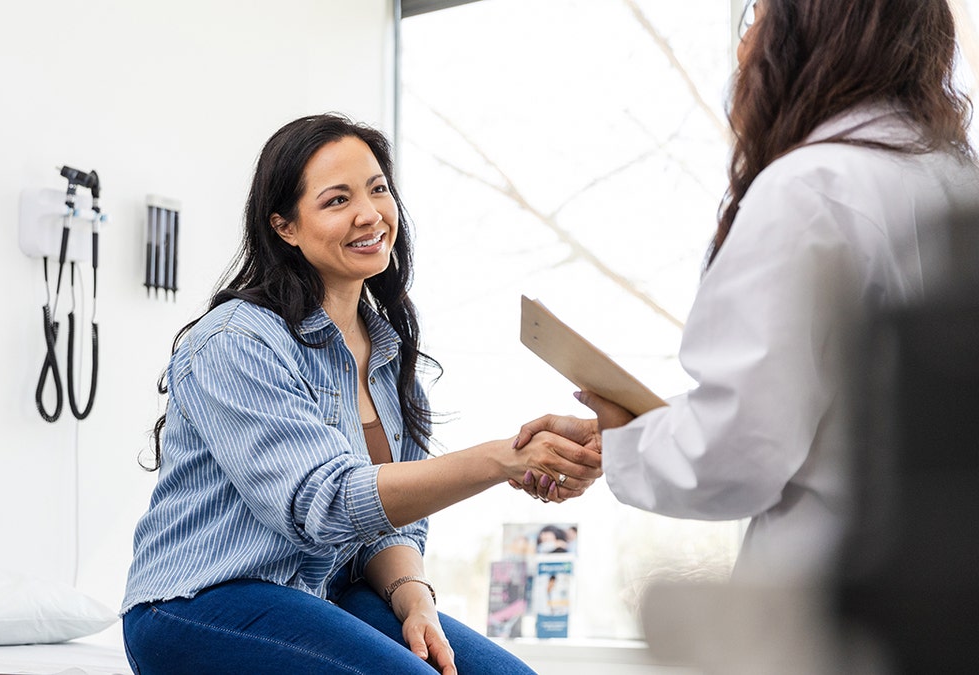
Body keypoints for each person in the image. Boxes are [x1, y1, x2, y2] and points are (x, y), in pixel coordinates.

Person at [513, 0, 979, 581]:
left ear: (810, 29)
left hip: (833, 594)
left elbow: (739, 453)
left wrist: (632, 436)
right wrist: (624, 437)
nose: (744, 44)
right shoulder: (956, 178)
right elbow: (832, 407)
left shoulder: (808, 189)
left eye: (757, 16)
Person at [121, 113, 602, 675]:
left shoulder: (389, 355)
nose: (369, 214)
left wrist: (414, 597)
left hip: (321, 593)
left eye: (378, 189)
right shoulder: (234, 343)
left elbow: (386, 526)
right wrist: (505, 458)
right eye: (336, 200)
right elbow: (324, 505)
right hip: (198, 602)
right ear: (285, 227)